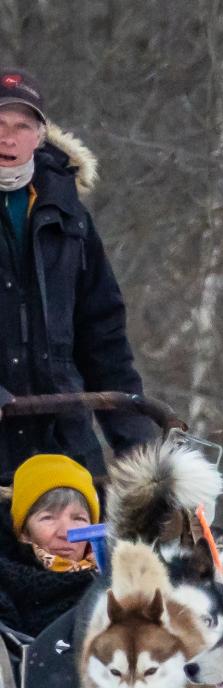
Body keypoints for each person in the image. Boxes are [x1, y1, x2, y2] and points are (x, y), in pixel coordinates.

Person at [0, 67, 156, 482]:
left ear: (40, 135)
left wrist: (138, 446)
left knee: (82, 547)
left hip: (64, 443)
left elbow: (102, 336)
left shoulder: (70, 215)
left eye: (21, 126)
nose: (7, 138)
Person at [0, 453, 100, 639]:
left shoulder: (119, 579)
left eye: (78, 518)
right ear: (24, 532)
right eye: (48, 518)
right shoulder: (6, 585)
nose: (66, 533)